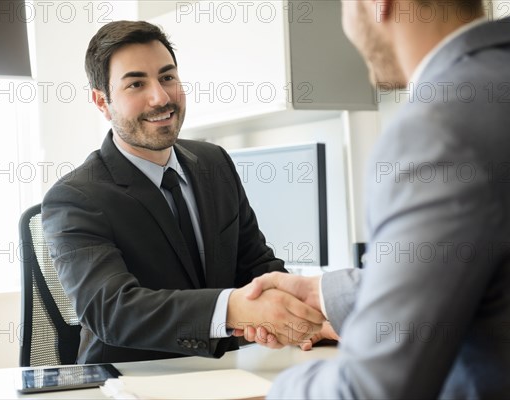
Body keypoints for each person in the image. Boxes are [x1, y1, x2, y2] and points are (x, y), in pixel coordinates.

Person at [244, 0, 510, 398]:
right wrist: (322, 294)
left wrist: (278, 390)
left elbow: (374, 390)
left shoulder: (437, 127)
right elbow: (505, 271)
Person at [41, 20, 324, 364]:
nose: (160, 97)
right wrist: (234, 309)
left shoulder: (214, 162)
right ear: (102, 102)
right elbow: (112, 311)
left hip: (225, 372)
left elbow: (256, 264)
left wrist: (306, 318)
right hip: (131, 381)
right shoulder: (75, 197)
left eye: (167, 77)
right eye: (135, 84)